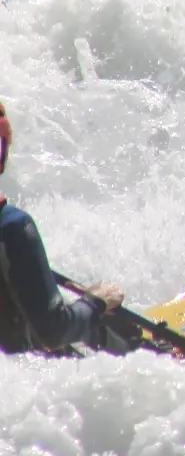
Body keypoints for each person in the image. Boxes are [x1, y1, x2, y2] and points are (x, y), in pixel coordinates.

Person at [0, 99, 126, 355]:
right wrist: (96, 302)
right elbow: (54, 330)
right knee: (101, 334)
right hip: (27, 366)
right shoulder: (12, 227)